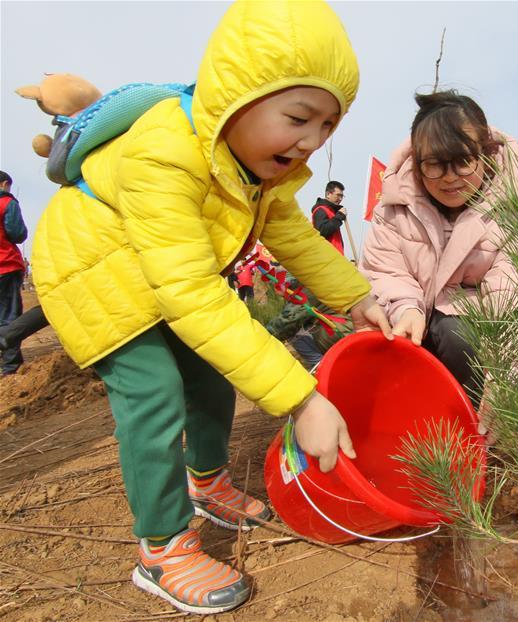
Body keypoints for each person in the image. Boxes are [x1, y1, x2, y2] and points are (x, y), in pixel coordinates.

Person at [30, 1, 391, 614]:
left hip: (164, 273)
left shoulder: (260, 174)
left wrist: (357, 297)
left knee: (212, 378)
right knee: (156, 392)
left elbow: (296, 238)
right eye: (300, 117)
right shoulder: (165, 151)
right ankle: (162, 548)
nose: (311, 140)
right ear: (236, 96)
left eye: (328, 127)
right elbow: (193, 293)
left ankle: (207, 483)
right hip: (95, 272)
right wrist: (300, 399)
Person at [359, 90, 518, 413]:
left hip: (485, 342)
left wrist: (505, 376)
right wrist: (406, 309)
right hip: (412, 329)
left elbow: (513, 289)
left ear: (486, 155)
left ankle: (469, 427)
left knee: (456, 333)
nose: (450, 178)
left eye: (463, 162)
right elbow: (385, 271)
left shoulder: (512, 210)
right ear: (417, 164)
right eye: (435, 165)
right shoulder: (395, 207)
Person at [0, 170, 28, 376]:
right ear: (4, 184)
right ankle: (10, 366)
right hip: (5, 266)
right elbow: (17, 233)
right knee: (9, 316)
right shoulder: (7, 203)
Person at [311, 180, 347, 254]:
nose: (340, 199)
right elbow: (322, 231)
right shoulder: (321, 209)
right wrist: (339, 216)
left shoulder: (332, 212)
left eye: (342, 196)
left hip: (335, 256)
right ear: (328, 194)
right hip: (326, 257)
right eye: (338, 195)